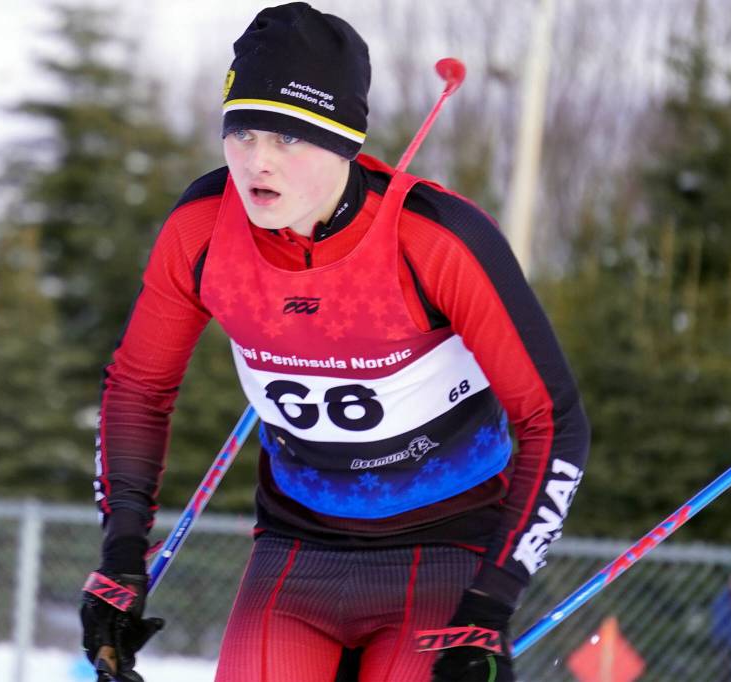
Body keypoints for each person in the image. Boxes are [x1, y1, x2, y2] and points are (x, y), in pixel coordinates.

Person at [80, 3, 590, 681]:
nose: (258, 161)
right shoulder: (203, 229)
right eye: (243, 132)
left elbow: (553, 422)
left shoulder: (434, 239)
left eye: (289, 139)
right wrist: (120, 557)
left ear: (345, 143)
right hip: (296, 552)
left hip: (445, 553)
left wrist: (493, 599)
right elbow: (138, 391)